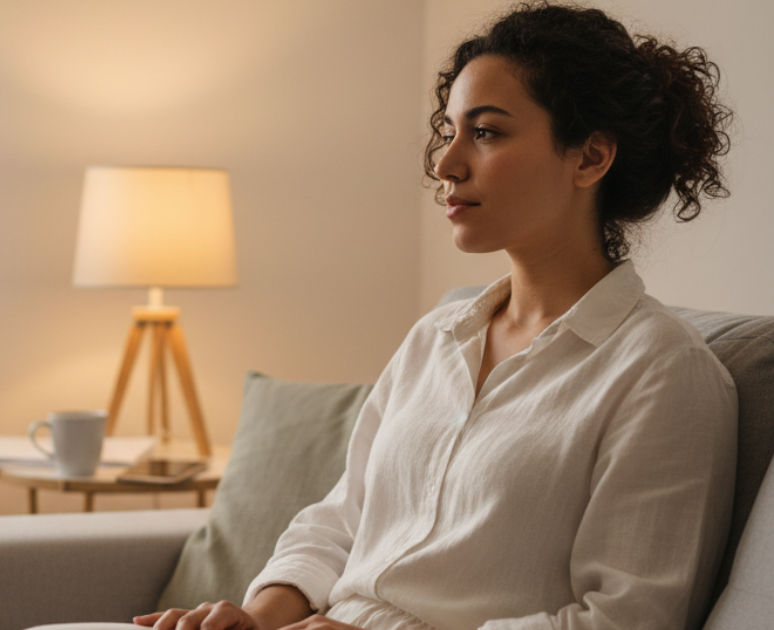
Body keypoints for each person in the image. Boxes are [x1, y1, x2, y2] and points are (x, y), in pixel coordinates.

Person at [135, 3, 738, 630]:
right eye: (450, 131)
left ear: (589, 158)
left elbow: (626, 620)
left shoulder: (665, 375)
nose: (446, 164)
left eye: (486, 132)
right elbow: (343, 517)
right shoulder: (438, 337)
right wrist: (258, 617)